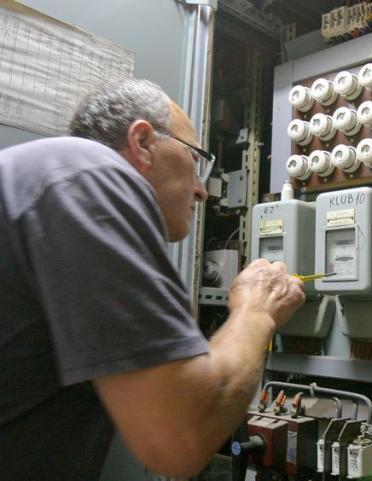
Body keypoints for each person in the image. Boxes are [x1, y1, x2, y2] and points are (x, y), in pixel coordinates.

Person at [0, 78, 305, 480]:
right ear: (143, 142)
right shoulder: (89, 176)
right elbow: (181, 434)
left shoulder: (51, 178)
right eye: (196, 160)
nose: (202, 191)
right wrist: (257, 310)